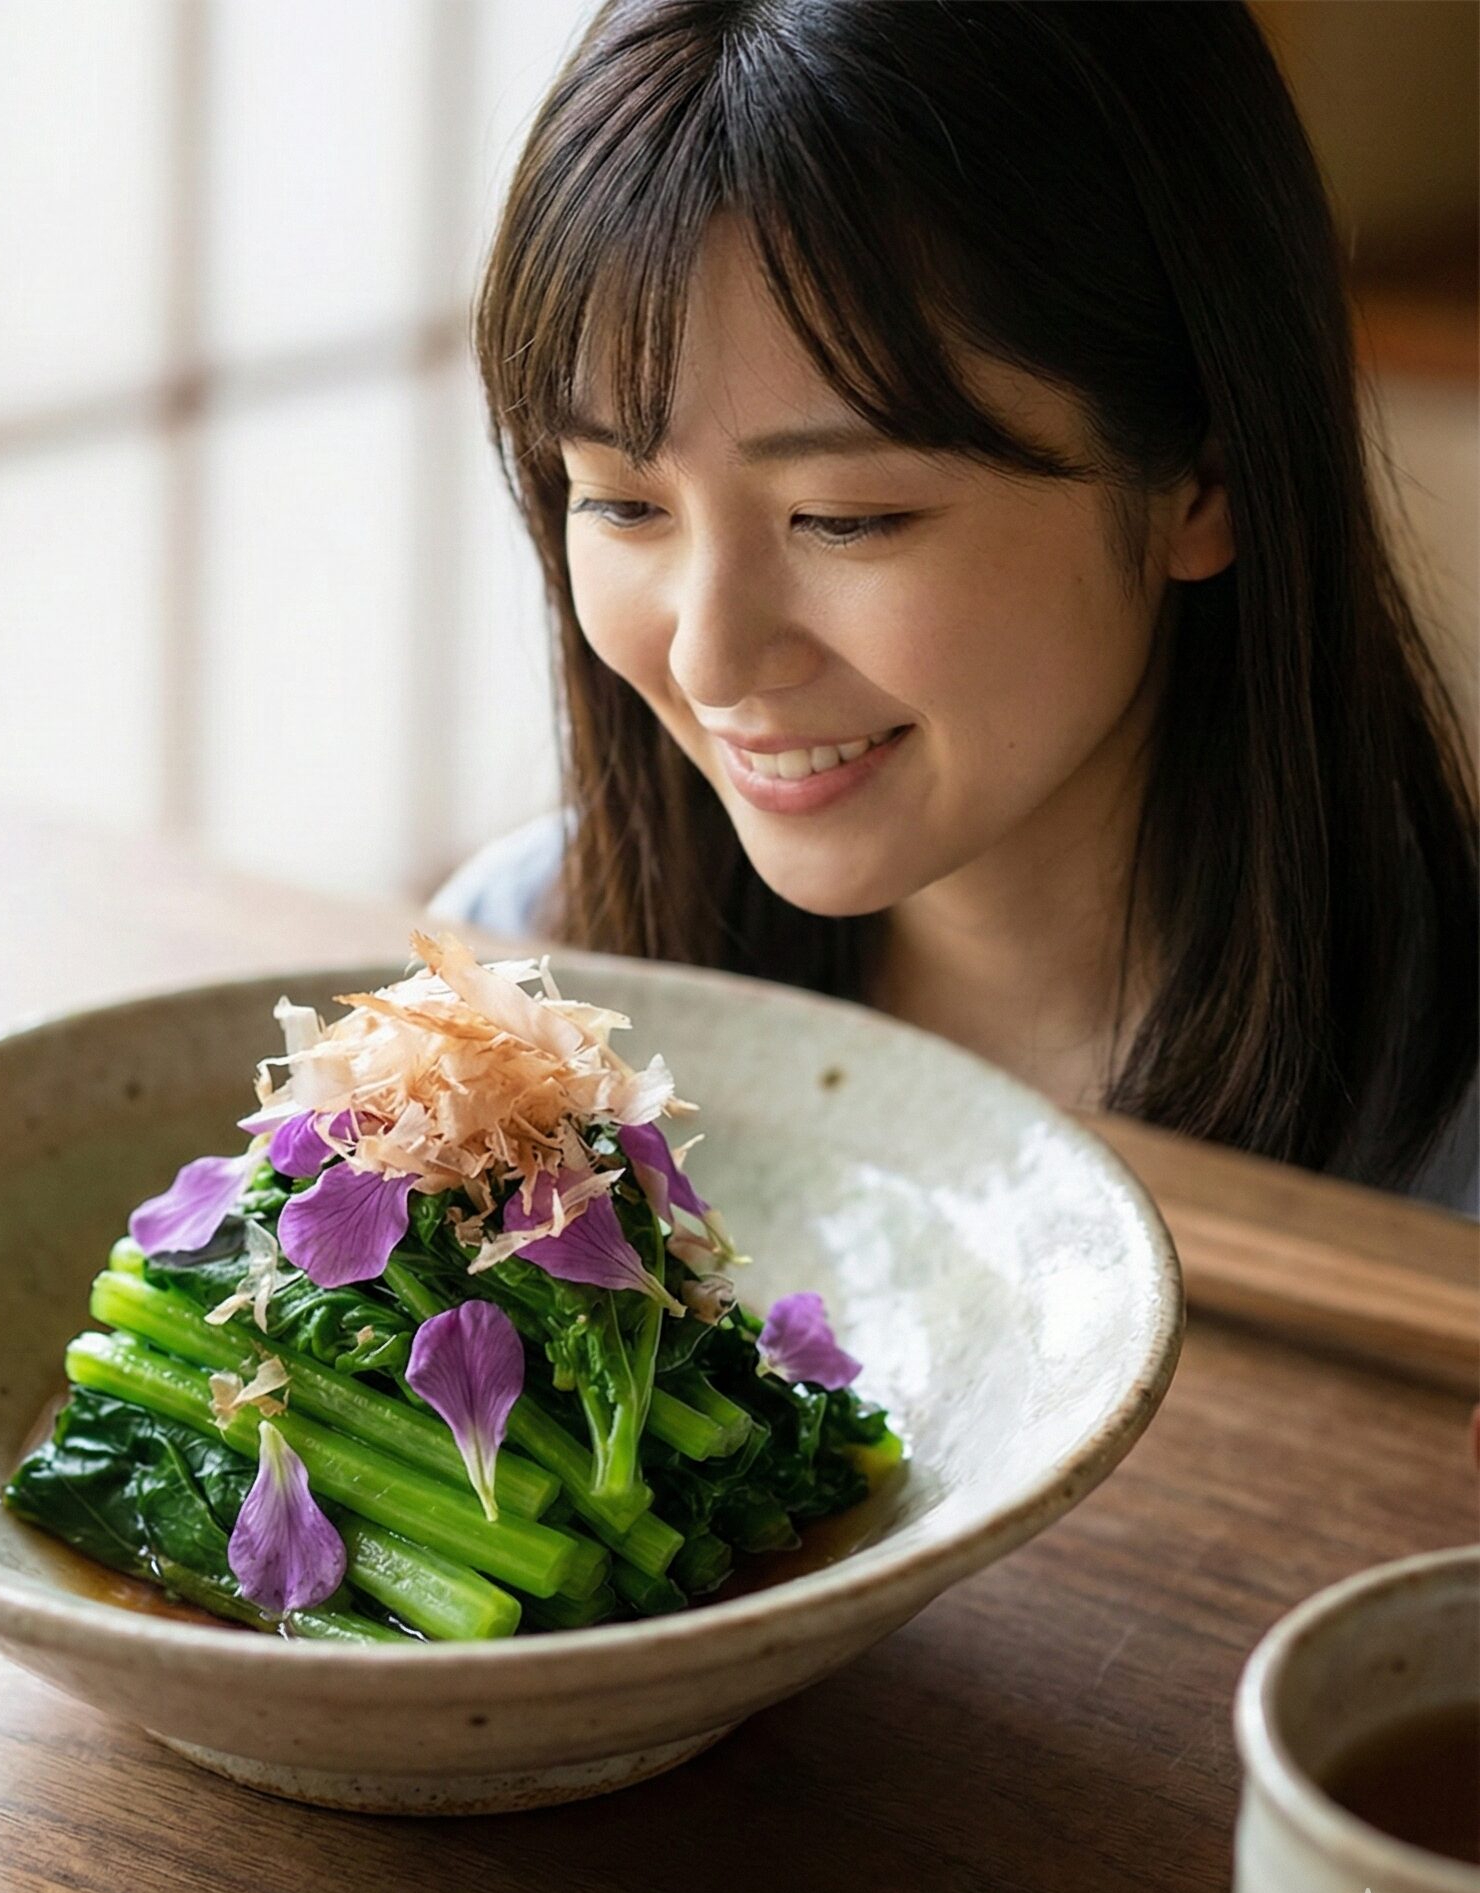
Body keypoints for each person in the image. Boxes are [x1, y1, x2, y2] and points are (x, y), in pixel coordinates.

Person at [429, 0, 1478, 1215]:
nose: (711, 658)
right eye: (618, 503)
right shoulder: (517, 993)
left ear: (1203, 482)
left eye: (845, 519)